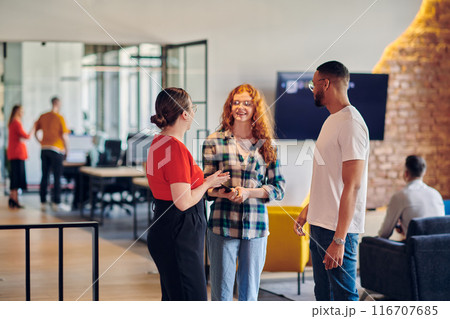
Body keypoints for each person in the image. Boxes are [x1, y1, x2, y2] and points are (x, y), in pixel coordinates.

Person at [294, 61, 370, 301]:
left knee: (344, 297)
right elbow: (329, 178)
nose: (312, 89)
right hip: (320, 224)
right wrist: (310, 209)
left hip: (337, 231)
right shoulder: (331, 120)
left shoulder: (351, 124)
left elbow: (353, 185)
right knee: (323, 296)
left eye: (312, 84)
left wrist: (339, 239)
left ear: (325, 84)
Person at [203, 84, 285, 301]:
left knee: (249, 295)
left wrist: (250, 193)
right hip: (222, 225)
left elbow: (278, 187)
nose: (241, 107)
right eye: (236, 102)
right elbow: (205, 186)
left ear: (255, 108)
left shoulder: (268, 144)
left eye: (247, 103)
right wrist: (223, 193)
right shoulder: (215, 140)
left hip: (256, 227)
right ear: (230, 107)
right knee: (221, 294)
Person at [146, 87, 229, 301]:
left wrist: (204, 184)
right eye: (193, 109)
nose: (194, 114)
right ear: (184, 114)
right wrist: (208, 182)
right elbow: (183, 202)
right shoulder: (175, 148)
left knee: (175, 297)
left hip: (165, 226)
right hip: (179, 230)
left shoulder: (158, 143)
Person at [378, 155, 445, 239]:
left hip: (416, 249)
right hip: (441, 248)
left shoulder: (400, 196)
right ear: (423, 173)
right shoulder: (436, 194)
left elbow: (384, 234)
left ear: (406, 173)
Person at [35, 96, 70, 212]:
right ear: (58, 103)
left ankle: (43, 202)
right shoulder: (60, 117)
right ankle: (56, 202)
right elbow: (65, 136)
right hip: (56, 150)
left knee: (44, 176)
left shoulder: (43, 116)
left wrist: (41, 142)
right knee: (56, 177)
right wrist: (67, 150)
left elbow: (35, 131)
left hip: (44, 149)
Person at [7, 105, 35, 209]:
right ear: (18, 111)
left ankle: (14, 198)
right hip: (17, 154)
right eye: (22, 111)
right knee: (16, 177)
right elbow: (26, 136)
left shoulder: (12, 122)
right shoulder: (16, 123)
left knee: (15, 176)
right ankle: (14, 199)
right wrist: (33, 128)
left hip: (14, 153)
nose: (23, 113)